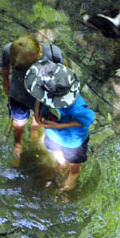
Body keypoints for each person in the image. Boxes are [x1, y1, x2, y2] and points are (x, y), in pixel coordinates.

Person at [25, 63, 95, 192]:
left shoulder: (76, 105)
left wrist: (60, 125)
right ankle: (61, 166)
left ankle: (66, 187)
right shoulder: (45, 93)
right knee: (59, 157)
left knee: (74, 168)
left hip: (73, 142)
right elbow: (39, 98)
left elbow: (89, 118)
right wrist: (36, 111)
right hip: (53, 136)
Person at [1, 35, 64, 165]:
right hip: (18, 95)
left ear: (39, 55)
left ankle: (33, 133)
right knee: (19, 121)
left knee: (37, 117)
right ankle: (18, 142)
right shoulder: (9, 49)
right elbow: (5, 66)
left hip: (40, 97)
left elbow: (62, 73)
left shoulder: (53, 53)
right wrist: (5, 82)